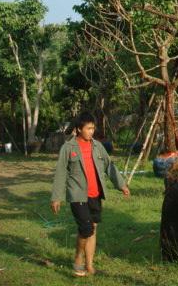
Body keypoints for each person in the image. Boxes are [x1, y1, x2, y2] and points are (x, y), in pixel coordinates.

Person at [50, 111, 130, 277]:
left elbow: (109, 166)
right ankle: (78, 259)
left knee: (93, 228)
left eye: (93, 128)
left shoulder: (97, 146)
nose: (91, 131)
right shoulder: (68, 148)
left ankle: (89, 265)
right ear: (79, 129)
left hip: (95, 194)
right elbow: (60, 173)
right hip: (77, 195)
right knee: (86, 228)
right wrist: (56, 197)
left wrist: (121, 184)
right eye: (88, 128)